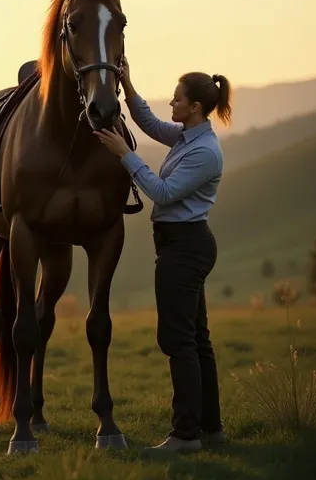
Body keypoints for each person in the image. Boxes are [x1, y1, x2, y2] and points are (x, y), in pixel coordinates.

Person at [93, 58, 232, 455]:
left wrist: (125, 154)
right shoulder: (189, 136)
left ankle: (187, 435)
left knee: (178, 340)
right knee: (196, 339)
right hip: (181, 245)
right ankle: (212, 429)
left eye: (177, 99)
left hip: (185, 248)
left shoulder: (204, 152)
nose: (171, 103)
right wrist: (128, 85)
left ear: (194, 108)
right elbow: (151, 124)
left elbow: (165, 192)